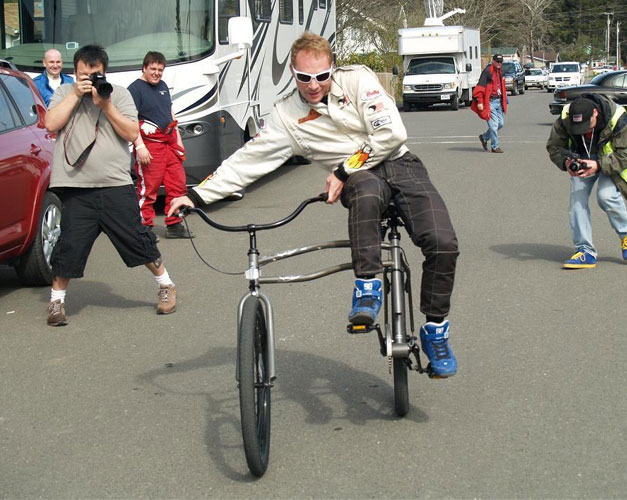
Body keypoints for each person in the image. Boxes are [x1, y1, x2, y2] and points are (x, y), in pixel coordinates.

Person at [168, 32, 459, 378]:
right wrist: (197, 195)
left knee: (444, 244)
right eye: (304, 77)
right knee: (364, 188)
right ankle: (367, 287)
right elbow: (249, 159)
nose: (313, 85)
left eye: (322, 76)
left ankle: (436, 331)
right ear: (293, 71)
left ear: (332, 68)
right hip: (360, 181)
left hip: (399, 164)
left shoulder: (358, 80)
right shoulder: (287, 115)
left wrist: (341, 169)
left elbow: (391, 134)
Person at [44, 45, 178, 326]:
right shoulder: (63, 94)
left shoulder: (119, 94)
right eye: (84, 75)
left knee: (136, 238)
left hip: (115, 184)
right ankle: (56, 302)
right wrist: (76, 94)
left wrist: (105, 104)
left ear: (104, 72)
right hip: (76, 186)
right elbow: (51, 124)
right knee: (69, 245)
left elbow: (131, 132)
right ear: (75, 73)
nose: (90, 80)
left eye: (95, 75)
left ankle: (165, 285)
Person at [546, 95, 627, 268]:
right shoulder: (565, 119)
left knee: (606, 196)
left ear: (595, 113)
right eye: (577, 127)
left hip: (610, 161)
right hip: (582, 159)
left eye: (585, 126)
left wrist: (598, 165)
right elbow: (554, 146)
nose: (582, 131)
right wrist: (565, 161)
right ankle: (585, 251)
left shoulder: (618, 118)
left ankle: (626, 236)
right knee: (577, 200)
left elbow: (625, 154)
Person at [128, 51, 193, 240]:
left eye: (160, 70)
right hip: (150, 146)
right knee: (148, 189)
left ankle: (175, 225)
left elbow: (170, 114)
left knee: (177, 185)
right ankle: (144, 229)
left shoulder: (163, 86)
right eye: (153, 69)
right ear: (144, 68)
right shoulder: (135, 89)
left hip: (169, 144)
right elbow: (131, 120)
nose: (156, 73)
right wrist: (140, 146)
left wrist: (179, 142)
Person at [472, 54, 507, 154]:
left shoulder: (501, 72)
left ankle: (484, 137)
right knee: (494, 126)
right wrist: (479, 101)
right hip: (489, 102)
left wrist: (505, 100)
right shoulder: (487, 72)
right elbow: (480, 87)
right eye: (497, 61)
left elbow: (503, 88)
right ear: (493, 61)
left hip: (498, 101)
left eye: (501, 62)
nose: (499, 63)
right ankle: (495, 146)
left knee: (500, 124)